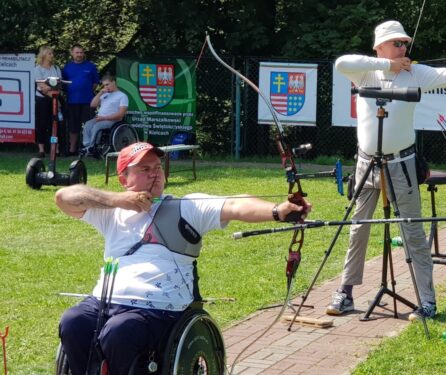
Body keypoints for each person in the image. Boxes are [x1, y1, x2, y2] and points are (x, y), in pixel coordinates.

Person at [55, 142, 309, 375]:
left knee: (119, 331)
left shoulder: (186, 207)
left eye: (157, 167)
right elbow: (64, 198)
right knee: (73, 322)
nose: (155, 173)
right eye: (144, 168)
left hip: (156, 308)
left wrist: (277, 211)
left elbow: (235, 205)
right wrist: (118, 201)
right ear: (124, 179)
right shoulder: (110, 213)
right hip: (102, 300)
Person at [328, 20, 446, 321]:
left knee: (412, 230)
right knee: (358, 228)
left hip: (402, 163)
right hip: (366, 163)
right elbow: (341, 63)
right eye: (397, 43)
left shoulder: (416, 71)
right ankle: (345, 293)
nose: (403, 48)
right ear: (380, 46)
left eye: (404, 44)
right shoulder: (366, 70)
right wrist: (387, 65)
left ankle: (427, 302)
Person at [62, 44, 99, 155]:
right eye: (77, 52)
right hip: (72, 101)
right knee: (73, 127)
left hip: (88, 102)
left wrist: (85, 90)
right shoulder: (67, 67)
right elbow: (62, 84)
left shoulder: (91, 66)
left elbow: (95, 83)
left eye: (81, 52)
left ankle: (88, 149)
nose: (79, 54)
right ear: (72, 53)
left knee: (89, 126)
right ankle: (72, 149)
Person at [80, 74, 128, 155]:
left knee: (97, 126)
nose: (106, 87)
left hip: (113, 120)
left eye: (107, 84)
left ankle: (92, 147)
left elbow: (121, 114)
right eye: (104, 85)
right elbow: (93, 105)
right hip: (100, 118)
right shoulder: (105, 94)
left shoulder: (122, 96)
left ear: (114, 82)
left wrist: (104, 118)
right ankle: (87, 146)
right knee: (88, 124)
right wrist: (100, 93)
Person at [33, 45, 62, 158]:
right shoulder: (37, 69)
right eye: (49, 53)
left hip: (55, 98)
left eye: (52, 53)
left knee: (54, 123)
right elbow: (42, 86)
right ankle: (41, 149)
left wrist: (54, 92)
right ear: (43, 55)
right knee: (42, 123)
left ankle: (55, 148)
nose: (52, 55)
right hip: (42, 100)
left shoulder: (56, 68)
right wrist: (51, 89)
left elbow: (59, 84)